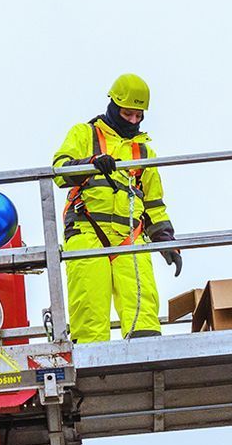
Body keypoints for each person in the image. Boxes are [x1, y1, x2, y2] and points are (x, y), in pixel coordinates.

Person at [51, 74, 181, 344]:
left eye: (138, 116)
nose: (133, 121)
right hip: (87, 233)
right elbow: (60, 171)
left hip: (129, 237)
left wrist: (166, 240)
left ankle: (148, 362)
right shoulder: (84, 134)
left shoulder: (143, 153)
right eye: (127, 114)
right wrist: (91, 162)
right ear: (112, 106)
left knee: (143, 306)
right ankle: (91, 370)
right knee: (89, 308)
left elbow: (154, 203)